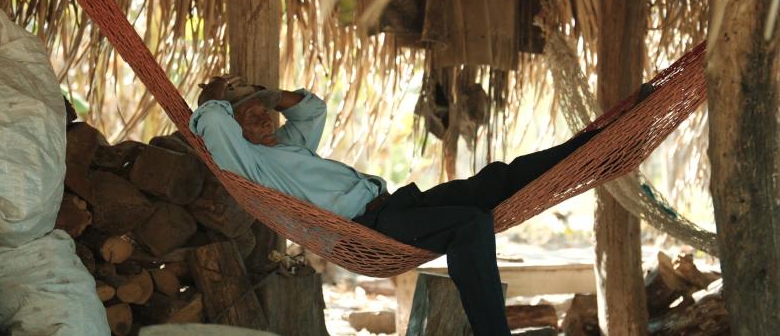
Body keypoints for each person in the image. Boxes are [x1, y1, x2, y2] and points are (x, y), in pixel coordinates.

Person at [190, 76, 648, 336]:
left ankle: (600, 142)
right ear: (236, 131)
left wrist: (265, 95)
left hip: (395, 206)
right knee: (471, 226)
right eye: (251, 118)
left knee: (499, 179)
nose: (265, 120)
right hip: (369, 229)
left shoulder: (283, 144)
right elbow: (210, 118)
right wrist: (219, 96)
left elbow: (312, 111)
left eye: (265, 113)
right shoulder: (249, 166)